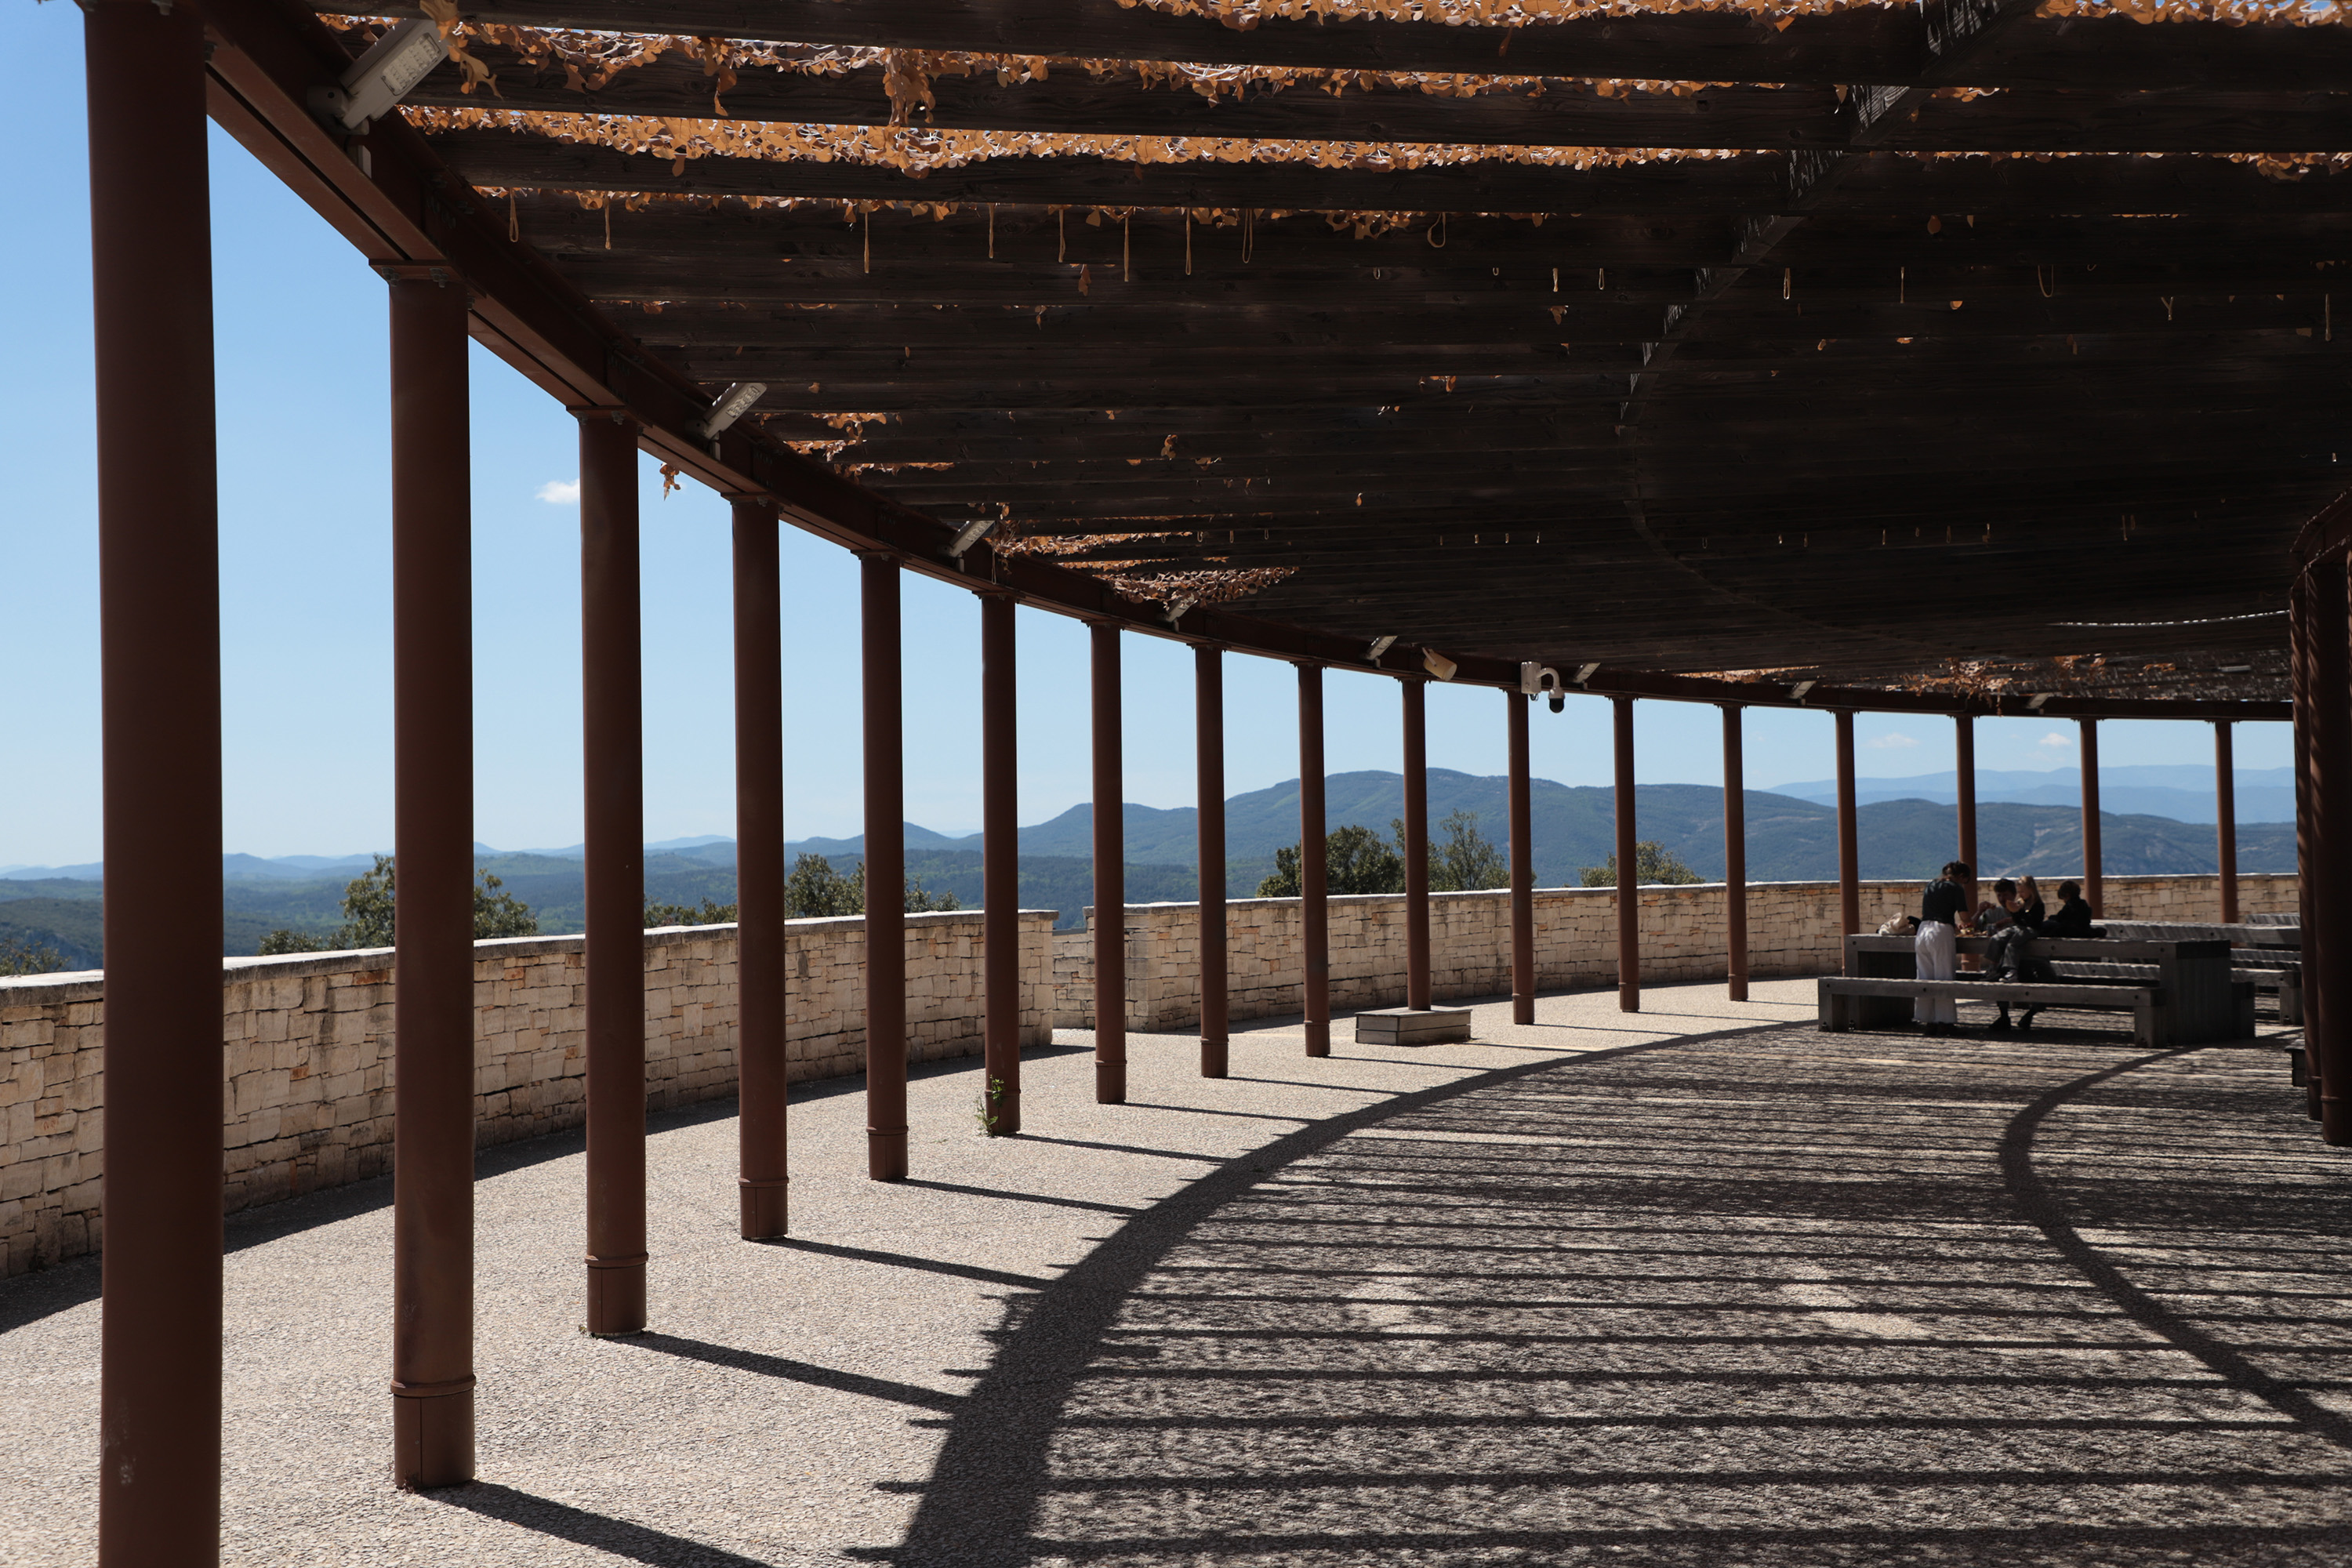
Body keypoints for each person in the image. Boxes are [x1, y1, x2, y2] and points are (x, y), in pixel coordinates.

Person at [2013, 879, 2092, 1033]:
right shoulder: (2083, 906)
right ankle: (2030, 1013)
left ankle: (2030, 1011)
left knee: (2043, 978)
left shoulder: (2069, 907)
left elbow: (2061, 919)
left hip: (2040, 953)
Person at [1914, 861, 1973, 1036]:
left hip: (1923, 930)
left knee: (1925, 977)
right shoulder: (1955, 888)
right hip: (1941, 932)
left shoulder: (1931, 884)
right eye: (1965, 881)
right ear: (1962, 877)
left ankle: (1927, 1020)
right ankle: (1945, 1022)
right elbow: (1965, 917)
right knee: (1944, 976)